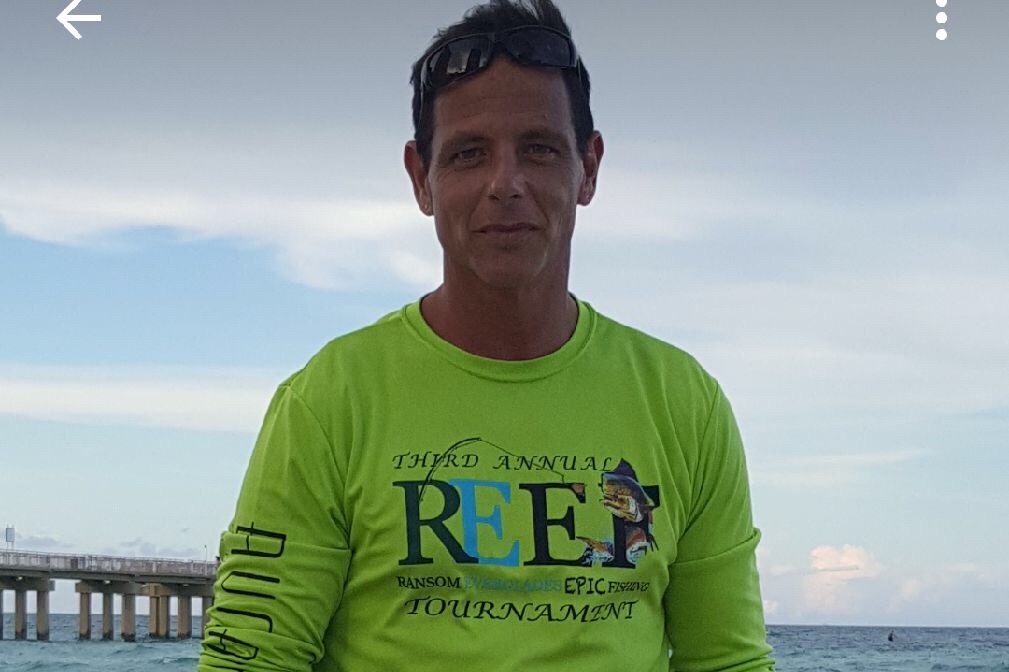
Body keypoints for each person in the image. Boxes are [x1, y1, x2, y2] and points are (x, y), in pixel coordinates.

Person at [197, 1, 774, 670]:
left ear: (587, 167)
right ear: (421, 179)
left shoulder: (683, 403)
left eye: (539, 149)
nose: (506, 184)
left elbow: (727, 660)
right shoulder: (329, 400)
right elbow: (251, 659)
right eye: (469, 154)